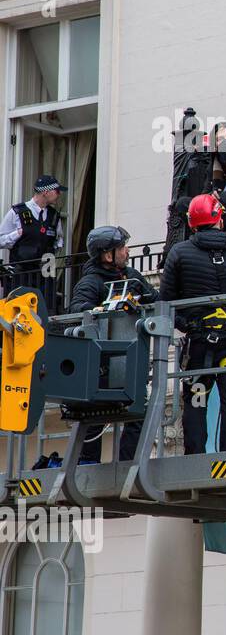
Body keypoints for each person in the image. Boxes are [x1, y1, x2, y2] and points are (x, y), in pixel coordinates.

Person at [159, 194, 226, 455]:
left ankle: (195, 458)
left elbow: (166, 302)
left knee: (197, 399)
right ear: (218, 219)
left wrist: (188, 324)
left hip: (200, 346)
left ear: (192, 222)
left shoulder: (179, 254)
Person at [68, 225, 157, 465]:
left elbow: (157, 301)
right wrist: (101, 311)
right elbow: (76, 310)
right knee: (92, 414)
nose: (127, 252)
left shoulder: (133, 277)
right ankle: (87, 464)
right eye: (122, 248)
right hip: (100, 365)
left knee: (139, 411)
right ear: (108, 255)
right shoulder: (91, 282)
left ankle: (129, 463)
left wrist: (143, 299)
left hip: (129, 362)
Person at [0, 175, 66, 306]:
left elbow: (58, 242)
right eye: (57, 191)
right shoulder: (18, 212)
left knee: (46, 309)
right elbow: (1, 240)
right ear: (46, 192)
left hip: (46, 273)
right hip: (22, 272)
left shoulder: (54, 216)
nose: (59, 194)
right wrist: (17, 234)